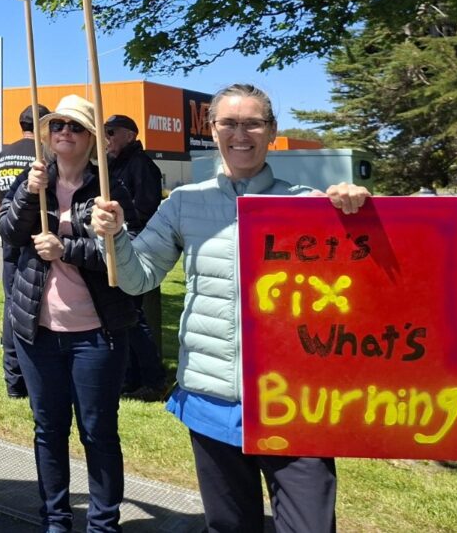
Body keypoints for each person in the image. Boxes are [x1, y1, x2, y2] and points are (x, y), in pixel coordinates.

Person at [92, 83, 371, 533]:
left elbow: (367, 280)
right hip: (211, 397)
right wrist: (116, 236)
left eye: (253, 123)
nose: (241, 134)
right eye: (229, 123)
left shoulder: (310, 206)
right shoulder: (184, 202)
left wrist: (356, 210)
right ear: (212, 129)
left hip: (295, 401)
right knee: (229, 526)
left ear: (272, 131)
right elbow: (138, 277)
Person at [0, 94, 138, 533]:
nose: (64, 132)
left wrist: (68, 249)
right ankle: (56, 519)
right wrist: (28, 195)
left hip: (96, 332)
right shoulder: (32, 177)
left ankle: (102, 523)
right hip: (37, 330)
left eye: (75, 127)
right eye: (57, 125)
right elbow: (9, 232)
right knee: (48, 429)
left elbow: (124, 259)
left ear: (91, 138)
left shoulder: (110, 190)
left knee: (97, 432)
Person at [103, 114, 166, 401]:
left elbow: (146, 208)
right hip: (122, 245)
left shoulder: (141, 165)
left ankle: (153, 380)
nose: (107, 138)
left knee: (136, 317)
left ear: (129, 135)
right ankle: (131, 377)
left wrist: (124, 226)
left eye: (111, 132)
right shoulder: (116, 164)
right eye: (105, 132)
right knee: (124, 315)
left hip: (137, 246)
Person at [0, 103, 49, 400]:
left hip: (10, 233)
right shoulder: (42, 156)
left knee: (12, 304)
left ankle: (13, 379)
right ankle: (30, 375)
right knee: (34, 307)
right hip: (36, 238)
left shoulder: (2, 156)